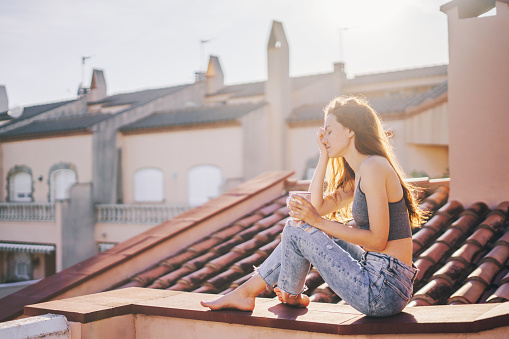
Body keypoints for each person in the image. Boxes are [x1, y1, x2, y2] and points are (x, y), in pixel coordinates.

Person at [201, 96, 422, 317]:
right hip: (383, 281)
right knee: (301, 226)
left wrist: (317, 221)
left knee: (297, 228)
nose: (324, 137)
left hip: (382, 289)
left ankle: (281, 294)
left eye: (329, 131)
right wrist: (323, 156)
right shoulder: (362, 172)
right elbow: (317, 207)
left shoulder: (374, 167)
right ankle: (280, 294)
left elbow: (377, 240)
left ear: (350, 130)